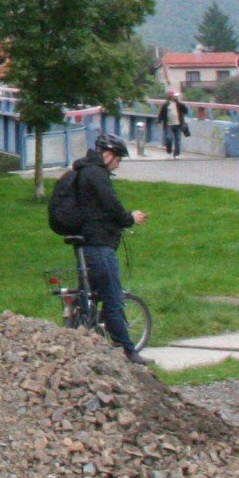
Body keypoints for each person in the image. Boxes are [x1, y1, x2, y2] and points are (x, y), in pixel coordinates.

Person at [74, 134, 149, 362]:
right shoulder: (97, 174)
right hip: (99, 244)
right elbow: (111, 206)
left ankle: (85, 337)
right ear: (108, 154)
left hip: (85, 242)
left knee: (91, 295)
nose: (118, 164)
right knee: (113, 298)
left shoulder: (82, 171)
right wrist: (129, 218)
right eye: (118, 159)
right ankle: (129, 351)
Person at [157, 88, 190, 156]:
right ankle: (169, 149)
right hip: (169, 125)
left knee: (178, 139)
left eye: (176, 96)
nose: (176, 97)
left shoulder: (179, 104)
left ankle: (177, 154)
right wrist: (159, 121)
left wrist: (182, 105)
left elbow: (186, 111)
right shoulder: (166, 104)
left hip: (178, 124)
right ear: (171, 96)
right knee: (169, 138)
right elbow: (161, 113)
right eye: (174, 95)